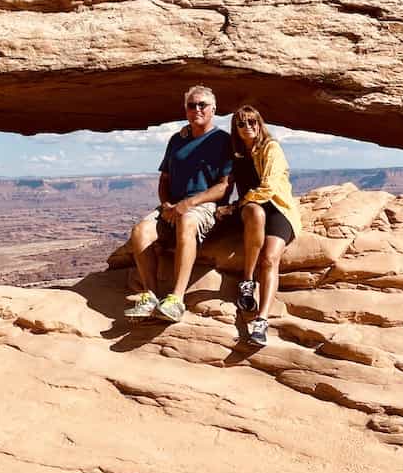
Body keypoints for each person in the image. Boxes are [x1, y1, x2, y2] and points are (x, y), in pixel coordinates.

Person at [125, 85, 232, 323]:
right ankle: (150, 295)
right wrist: (165, 205)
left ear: (213, 109)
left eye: (202, 105)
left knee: (187, 220)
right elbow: (165, 179)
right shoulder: (177, 139)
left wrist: (189, 203)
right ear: (185, 110)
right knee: (140, 231)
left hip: (203, 205)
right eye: (191, 105)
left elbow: (225, 186)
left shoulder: (223, 141)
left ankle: (176, 299)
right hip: (172, 206)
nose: (197, 109)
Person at [222, 102, 301, 346]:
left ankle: (261, 321)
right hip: (252, 209)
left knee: (269, 260)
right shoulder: (235, 152)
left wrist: (237, 204)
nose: (247, 127)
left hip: (277, 208)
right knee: (254, 212)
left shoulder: (271, 148)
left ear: (260, 124)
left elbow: (268, 188)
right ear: (235, 128)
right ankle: (247, 281)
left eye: (252, 122)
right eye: (241, 123)